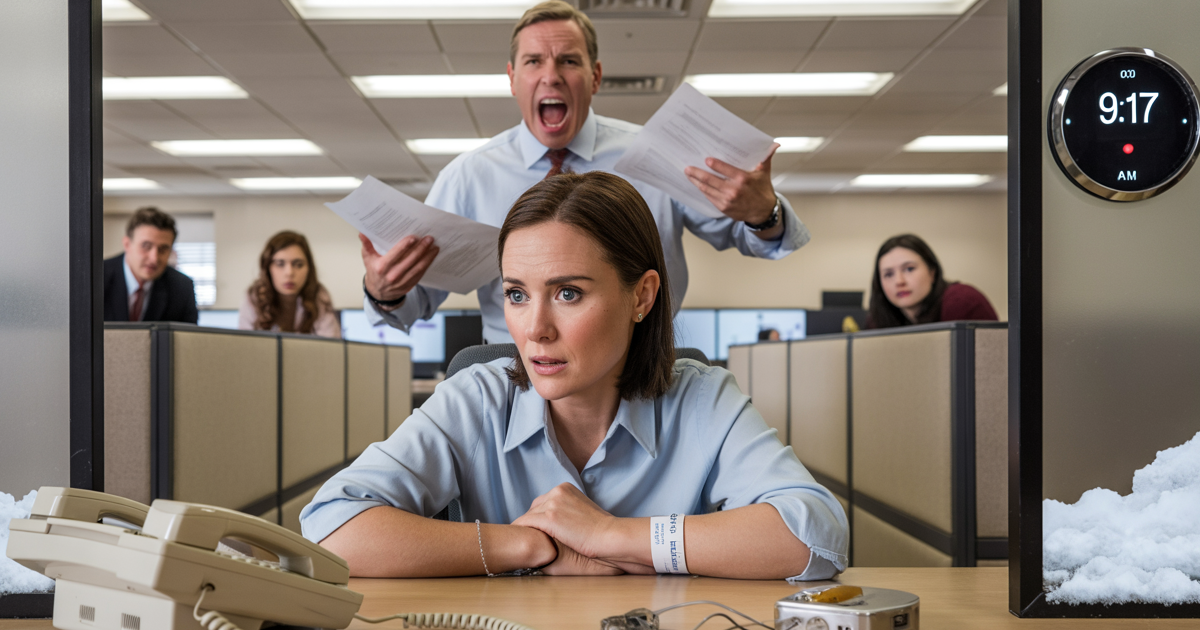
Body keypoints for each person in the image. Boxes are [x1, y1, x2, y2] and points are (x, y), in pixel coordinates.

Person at [301, 172, 847, 581]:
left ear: (641, 296)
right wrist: (527, 545)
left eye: (568, 293)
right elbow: (331, 526)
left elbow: (815, 535)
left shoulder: (702, 399)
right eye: (516, 294)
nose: (534, 329)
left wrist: (612, 536)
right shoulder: (476, 398)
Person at [360, 0, 812, 344]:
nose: (551, 76)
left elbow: (761, 240)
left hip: (640, 371)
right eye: (534, 61)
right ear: (512, 78)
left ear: (595, 76)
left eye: (569, 61)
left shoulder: (658, 154)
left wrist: (764, 213)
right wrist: (383, 290)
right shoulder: (468, 177)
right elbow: (415, 303)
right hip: (517, 377)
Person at [866, 234, 998, 329]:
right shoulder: (878, 318)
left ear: (932, 272)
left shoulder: (962, 301)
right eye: (888, 274)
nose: (899, 281)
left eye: (909, 269)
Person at [103, 207, 198, 324]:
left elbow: (188, 334)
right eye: (146, 246)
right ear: (127, 244)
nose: (154, 258)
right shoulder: (96, 278)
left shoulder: (182, 287)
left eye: (163, 249)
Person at [238, 231, 340, 338]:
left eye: (298, 264)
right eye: (280, 264)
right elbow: (245, 344)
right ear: (267, 268)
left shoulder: (319, 296)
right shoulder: (254, 297)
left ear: (309, 268)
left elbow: (331, 343)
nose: (289, 273)